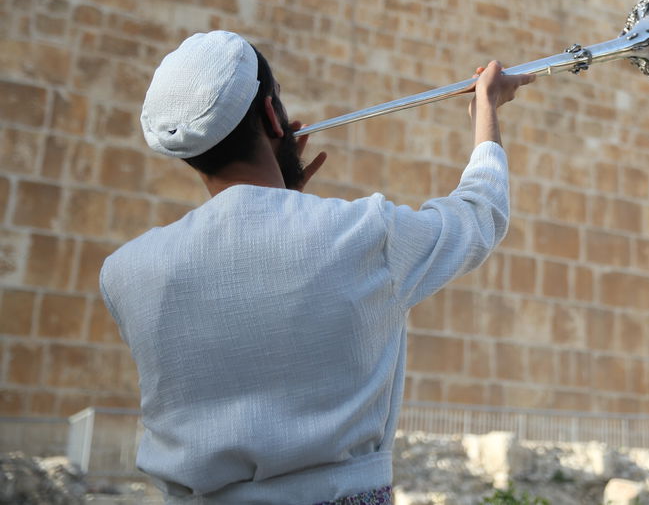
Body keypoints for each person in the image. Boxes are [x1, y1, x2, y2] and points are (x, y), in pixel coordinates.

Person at [100, 31, 532, 504]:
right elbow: (480, 213)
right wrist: (486, 107)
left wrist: (285, 209)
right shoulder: (363, 233)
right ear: (271, 115)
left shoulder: (125, 274)